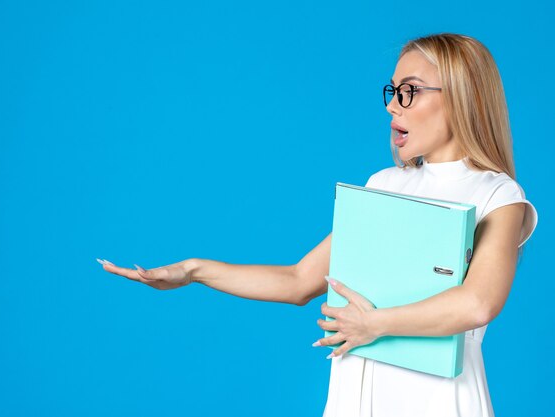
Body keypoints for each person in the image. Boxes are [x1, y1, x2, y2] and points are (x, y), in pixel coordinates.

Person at [98, 33, 538, 417]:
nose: (392, 106)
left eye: (410, 91)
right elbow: (298, 281)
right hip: (357, 395)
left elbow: (477, 303)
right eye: (392, 90)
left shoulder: (499, 196)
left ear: (462, 97)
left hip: (437, 400)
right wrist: (193, 270)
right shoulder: (383, 185)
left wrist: (375, 324)